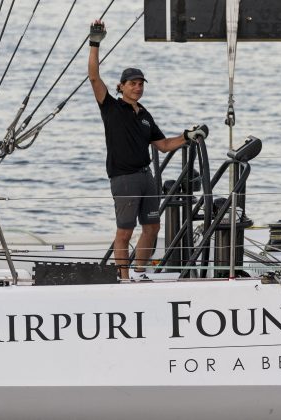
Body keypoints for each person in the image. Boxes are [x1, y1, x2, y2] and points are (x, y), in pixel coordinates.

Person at [88, 20, 207, 281]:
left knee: (152, 227)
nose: (137, 87)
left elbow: (163, 146)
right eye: (132, 83)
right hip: (124, 178)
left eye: (141, 83)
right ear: (121, 86)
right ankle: (124, 277)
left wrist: (188, 137)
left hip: (146, 177)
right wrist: (95, 43)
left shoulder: (145, 115)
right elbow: (94, 77)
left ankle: (140, 273)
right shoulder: (110, 107)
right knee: (124, 233)